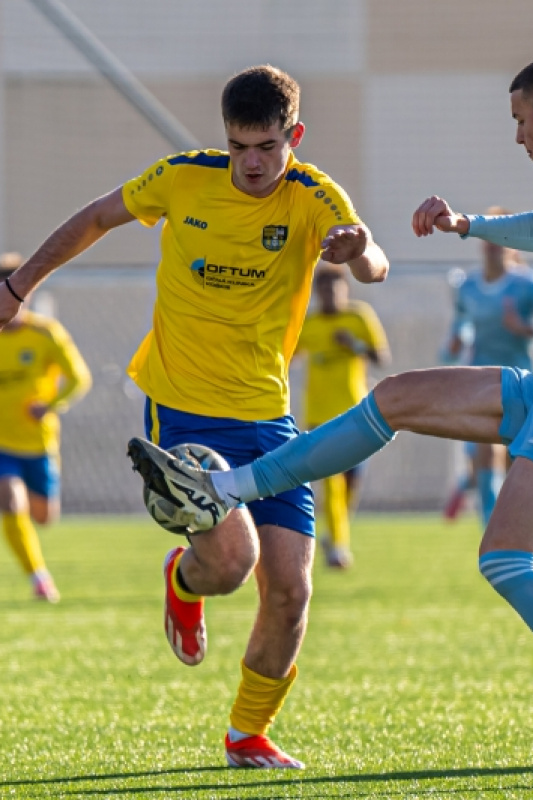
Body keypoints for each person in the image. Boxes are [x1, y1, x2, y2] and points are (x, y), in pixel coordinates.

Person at [128, 44, 533, 784]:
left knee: (506, 558)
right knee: (397, 398)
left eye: (521, 121)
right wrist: (467, 225)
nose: (518, 137)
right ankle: (229, 490)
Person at [0, 65, 389, 769]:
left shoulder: (314, 195)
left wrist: (359, 250)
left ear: (292, 137)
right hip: (181, 406)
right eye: (238, 147)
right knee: (233, 563)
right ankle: (187, 580)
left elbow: (374, 265)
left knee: (293, 591)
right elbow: (95, 216)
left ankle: (247, 734)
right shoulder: (182, 176)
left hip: (269, 417)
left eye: (265, 147)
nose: (250, 163)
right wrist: (19, 285)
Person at [441, 209, 533, 526]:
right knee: (485, 453)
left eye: (500, 239)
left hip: (522, 381)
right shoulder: (468, 287)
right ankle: (491, 532)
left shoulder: (528, 284)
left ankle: (505, 521)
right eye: (489, 239)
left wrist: (527, 329)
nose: (493, 246)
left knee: (514, 463)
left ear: (512, 246)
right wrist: (453, 345)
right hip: (480, 380)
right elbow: (460, 329)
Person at [0, 252, 92, 603]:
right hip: (2, 444)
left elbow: (79, 378)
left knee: (43, 517)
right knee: (10, 500)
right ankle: (39, 578)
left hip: (38, 443)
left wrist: (50, 406)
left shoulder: (45, 333)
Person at [294, 262, 390, 568]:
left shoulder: (358, 317)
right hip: (320, 416)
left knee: (351, 485)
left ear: (345, 290)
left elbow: (381, 358)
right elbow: (285, 357)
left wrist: (354, 345)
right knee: (331, 483)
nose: (329, 296)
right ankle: (338, 548)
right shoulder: (308, 325)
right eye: (323, 291)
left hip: (356, 414)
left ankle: (336, 531)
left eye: (335, 289)